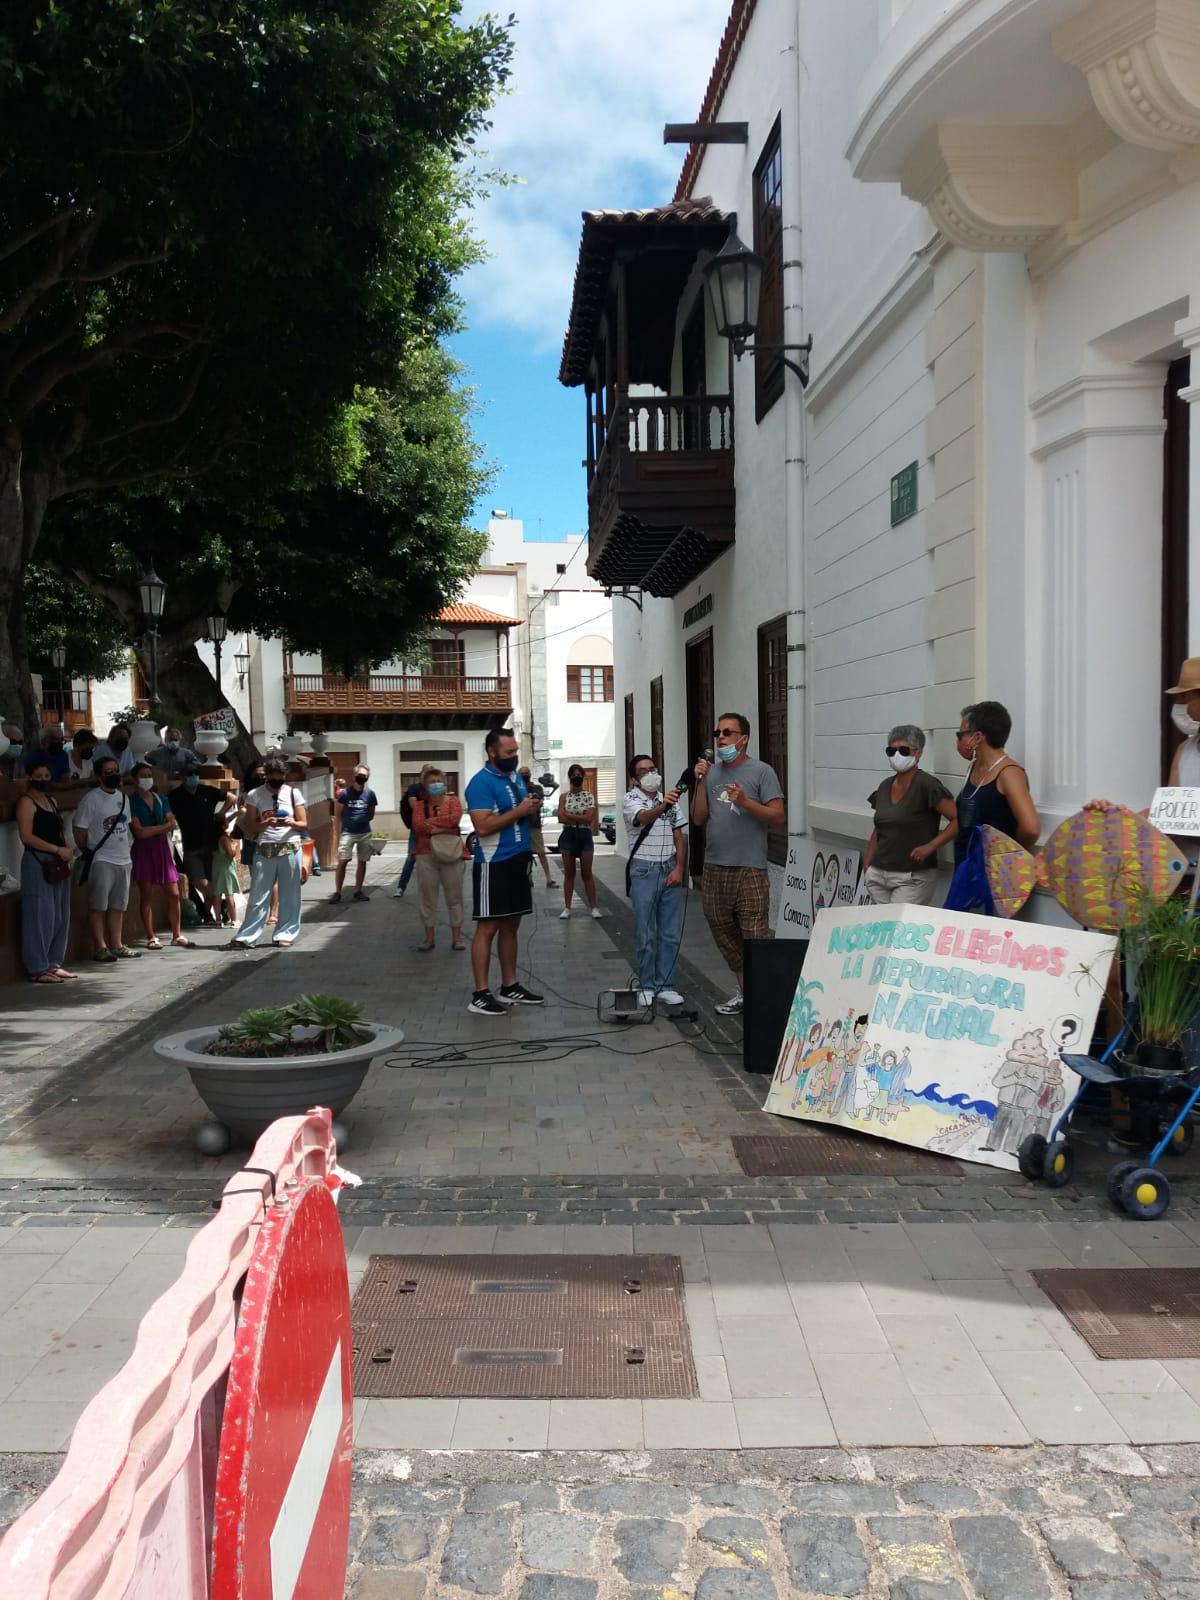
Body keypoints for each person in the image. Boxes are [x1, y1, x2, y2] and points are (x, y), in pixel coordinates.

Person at [691, 712, 785, 1017]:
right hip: (716, 867)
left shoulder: (761, 772)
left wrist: (745, 802)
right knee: (721, 927)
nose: (720, 738)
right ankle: (747, 991)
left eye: (728, 733)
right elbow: (698, 818)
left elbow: (778, 816)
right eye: (718, 732)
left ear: (743, 739)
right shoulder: (712, 773)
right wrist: (701, 781)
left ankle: (761, 1001)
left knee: (754, 935)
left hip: (750, 869)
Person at [465, 727, 543, 1015]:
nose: (513, 757)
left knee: (512, 924)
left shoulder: (514, 779)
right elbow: (483, 826)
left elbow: (518, 813)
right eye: (508, 752)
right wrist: (519, 812)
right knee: (488, 926)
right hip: (493, 863)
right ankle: (480, 993)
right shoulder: (480, 783)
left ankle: (510, 986)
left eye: (515, 752)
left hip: (518, 861)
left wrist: (530, 808)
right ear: (492, 751)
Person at [863, 724, 958, 905]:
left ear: (918, 753)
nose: (897, 755)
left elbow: (957, 819)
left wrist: (930, 847)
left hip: (912, 876)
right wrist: (867, 864)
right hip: (878, 875)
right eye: (891, 751)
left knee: (899, 929)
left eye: (904, 750)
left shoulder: (927, 785)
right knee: (883, 929)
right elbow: (879, 828)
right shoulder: (884, 786)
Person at [622, 753, 686, 1006]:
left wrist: (679, 868)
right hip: (643, 871)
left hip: (668, 868)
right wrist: (664, 806)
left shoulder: (668, 799)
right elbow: (642, 818)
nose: (650, 774)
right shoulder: (630, 799)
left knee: (669, 933)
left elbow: (679, 836)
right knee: (646, 933)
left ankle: (665, 985)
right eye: (642, 770)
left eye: (652, 768)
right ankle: (647, 985)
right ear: (634, 779)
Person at [224, 758, 308, 949]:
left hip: (290, 846)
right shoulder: (255, 795)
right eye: (273, 779)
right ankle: (247, 936)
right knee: (258, 894)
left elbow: (304, 822)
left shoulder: (293, 793)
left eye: (280, 778)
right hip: (264, 847)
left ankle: (285, 933)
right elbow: (251, 824)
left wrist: (291, 823)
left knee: (290, 894)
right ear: (266, 777)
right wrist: (265, 824)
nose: (277, 782)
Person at [952, 701, 1040, 866]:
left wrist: (1007, 857)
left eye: (960, 735)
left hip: (994, 878)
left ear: (977, 737)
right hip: (966, 871)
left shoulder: (1009, 773)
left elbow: (1031, 829)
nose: (958, 741)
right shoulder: (974, 767)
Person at [72, 753, 140, 962]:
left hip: (123, 859)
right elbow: (79, 830)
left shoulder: (123, 798)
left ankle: (117, 944)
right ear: (99, 776)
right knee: (98, 905)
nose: (113, 775)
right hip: (102, 859)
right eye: (108, 772)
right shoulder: (91, 799)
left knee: (118, 905)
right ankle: (100, 946)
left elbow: (127, 827)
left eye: (115, 771)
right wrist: (89, 850)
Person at [17, 756, 76, 982]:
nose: (43, 780)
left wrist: (65, 849)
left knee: (60, 914)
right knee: (40, 914)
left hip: (58, 861)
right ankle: (37, 967)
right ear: (30, 777)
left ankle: (53, 962)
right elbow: (27, 837)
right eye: (38, 776)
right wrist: (55, 849)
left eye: (46, 776)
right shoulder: (26, 803)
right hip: (38, 860)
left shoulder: (51, 801)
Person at [129, 762, 190, 948]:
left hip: (163, 849)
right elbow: (139, 832)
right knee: (146, 893)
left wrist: (154, 829)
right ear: (134, 779)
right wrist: (163, 828)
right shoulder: (131, 801)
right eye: (143, 775)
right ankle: (150, 936)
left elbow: (172, 821)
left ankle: (177, 934)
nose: (147, 778)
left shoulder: (161, 798)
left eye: (149, 774)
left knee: (173, 892)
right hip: (144, 850)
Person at [411, 766, 466, 952]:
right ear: (425, 785)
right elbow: (419, 827)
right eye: (431, 781)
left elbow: (454, 821)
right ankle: (429, 938)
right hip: (425, 854)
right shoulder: (419, 806)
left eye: (438, 780)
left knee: (455, 896)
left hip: (451, 853)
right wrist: (443, 827)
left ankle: (457, 938)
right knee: (427, 898)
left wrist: (433, 824)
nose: (435, 784)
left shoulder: (453, 801)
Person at [170, 766, 228, 924]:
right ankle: (221, 905)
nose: (193, 777)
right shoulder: (174, 796)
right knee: (201, 883)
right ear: (182, 776)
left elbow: (231, 797)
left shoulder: (207, 791)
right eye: (190, 774)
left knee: (213, 882)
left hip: (211, 845)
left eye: (196, 774)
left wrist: (222, 812)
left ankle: (207, 914)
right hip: (190, 847)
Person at [557, 764, 602, 919]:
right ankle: (567, 908)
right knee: (569, 874)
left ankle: (594, 907)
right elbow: (560, 818)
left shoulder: (589, 796)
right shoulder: (564, 796)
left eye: (579, 774)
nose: (577, 777)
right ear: (570, 777)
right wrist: (580, 816)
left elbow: (590, 818)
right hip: (568, 836)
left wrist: (570, 815)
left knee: (587, 873)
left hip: (584, 835)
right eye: (574, 774)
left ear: (582, 777)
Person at [330, 765, 378, 903]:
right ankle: (338, 892)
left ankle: (358, 890)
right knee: (343, 861)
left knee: (362, 861)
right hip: (347, 832)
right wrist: (338, 833)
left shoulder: (370, 794)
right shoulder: (344, 794)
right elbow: (338, 814)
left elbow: (371, 813)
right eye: (360, 774)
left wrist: (361, 821)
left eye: (365, 775)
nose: (362, 777)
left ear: (368, 777)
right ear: (354, 775)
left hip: (364, 832)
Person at [393, 767, 431, 898]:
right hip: (417, 829)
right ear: (422, 775)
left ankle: (431, 887)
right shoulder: (415, 788)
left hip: (433, 828)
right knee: (411, 858)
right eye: (426, 773)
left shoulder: (435, 789)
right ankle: (400, 887)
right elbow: (413, 806)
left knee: (434, 858)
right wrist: (430, 806)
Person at [518, 766, 557, 889]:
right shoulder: (516, 789)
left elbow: (539, 803)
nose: (525, 775)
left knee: (541, 853)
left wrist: (526, 805)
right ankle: (528, 879)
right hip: (522, 826)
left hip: (534, 825)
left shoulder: (537, 788)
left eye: (526, 773)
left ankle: (549, 879)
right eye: (522, 773)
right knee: (525, 854)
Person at [237, 760, 266, 885]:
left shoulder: (270, 793)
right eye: (258, 775)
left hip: (265, 837)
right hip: (249, 837)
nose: (261, 778)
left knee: (269, 877)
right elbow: (241, 810)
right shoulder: (245, 794)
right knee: (254, 875)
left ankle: (273, 905)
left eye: (263, 775)